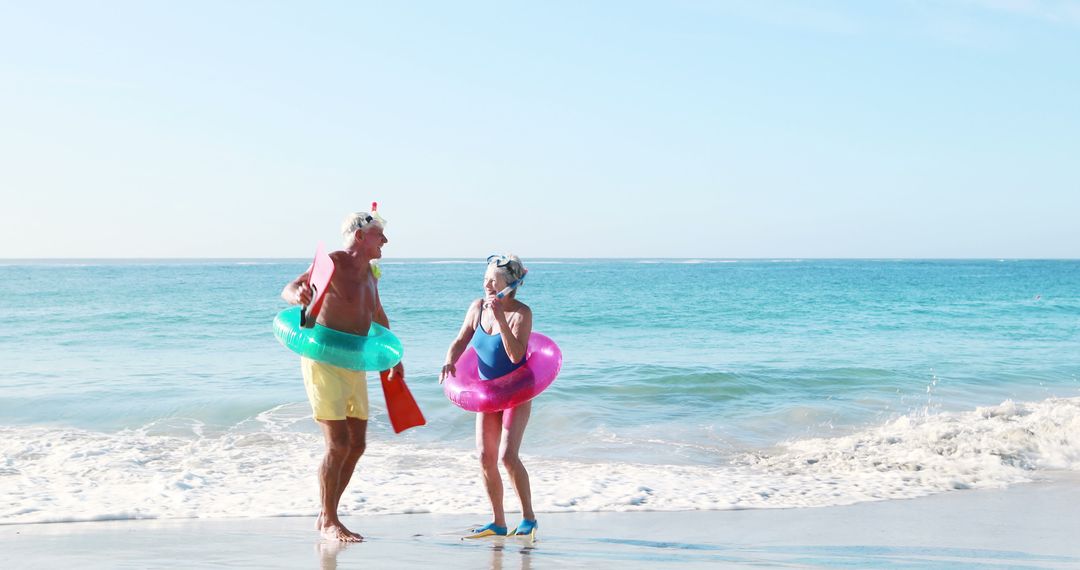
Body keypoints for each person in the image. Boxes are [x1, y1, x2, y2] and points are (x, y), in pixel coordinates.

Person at [281, 209, 404, 542]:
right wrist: (299, 296)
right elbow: (291, 288)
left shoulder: (371, 272)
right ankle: (330, 519)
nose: (386, 241)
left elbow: (376, 313)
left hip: (355, 363)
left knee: (357, 444)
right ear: (361, 236)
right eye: (380, 235)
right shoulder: (333, 262)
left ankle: (327, 514)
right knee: (338, 445)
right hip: (324, 361)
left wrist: (393, 357)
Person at [440, 254, 539, 538]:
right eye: (485, 279)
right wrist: (450, 360)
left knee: (508, 456)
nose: (487, 285)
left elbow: (515, 354)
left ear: (510, 285)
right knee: (485, 457)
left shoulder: (522, 313)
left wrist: (500, 318)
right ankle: (498, 522)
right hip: (489, 393)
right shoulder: (476, 308)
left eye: (493, 281)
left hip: (517, 392)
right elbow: (461, 340)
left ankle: (529, 519)